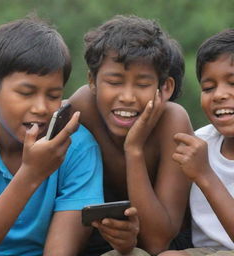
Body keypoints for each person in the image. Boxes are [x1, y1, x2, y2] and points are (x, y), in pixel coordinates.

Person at [0, 16, 104, 255]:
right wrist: (31, 175)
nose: (41, 108)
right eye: (26, 93)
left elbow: (60, 251)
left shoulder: (77, 148)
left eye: (53, 95)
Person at [69, 15, 194, 256]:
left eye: (142, 83)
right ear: (92, 81)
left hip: (165, 244)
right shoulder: (81, 109)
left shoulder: (172, 121)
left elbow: (158, 243)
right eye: (114, 82)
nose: (127, 96)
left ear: (164, 88)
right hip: (97, 239)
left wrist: (134, 149)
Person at [158, 28, 234, 256]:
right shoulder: (200, 143)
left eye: (232, 83)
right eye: (208, 88)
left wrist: (204, 175)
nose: (219, 94)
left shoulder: (200, 162)